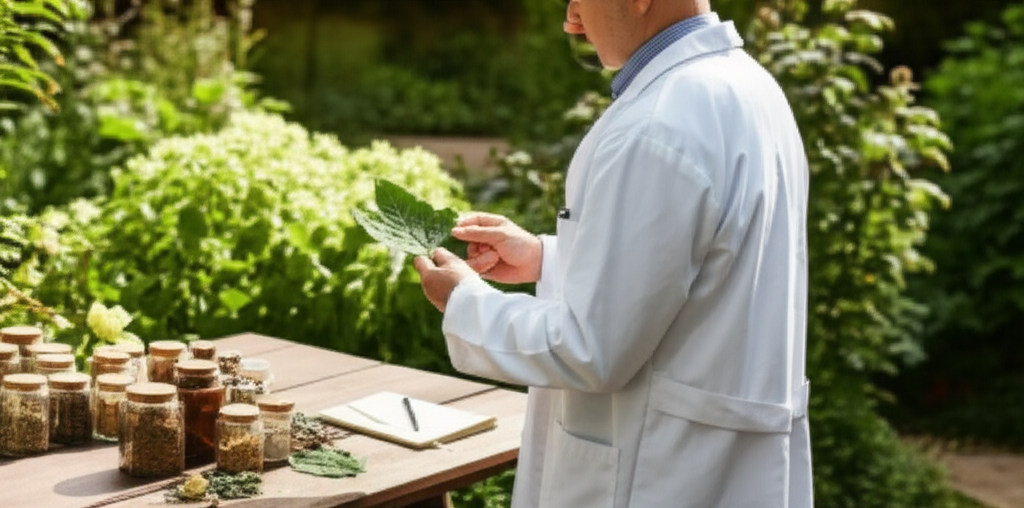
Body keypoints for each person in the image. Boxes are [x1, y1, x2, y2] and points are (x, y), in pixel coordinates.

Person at [413, 0, 812, 506]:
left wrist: (466, 301)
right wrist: (547, 259)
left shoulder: (660, 125)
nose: (571, 17)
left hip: (659, 472)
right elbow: (708, 267)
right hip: (715, 462)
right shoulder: (748, 88)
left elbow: (591, 348)